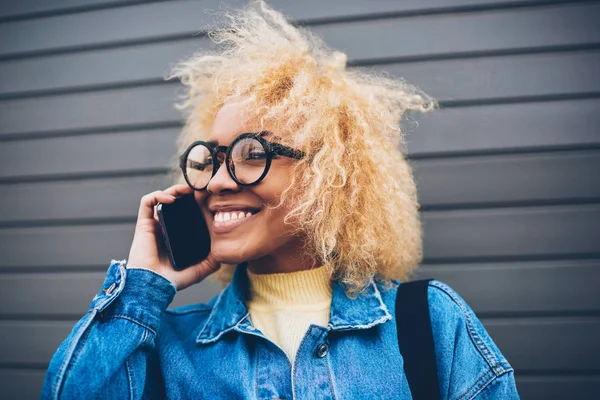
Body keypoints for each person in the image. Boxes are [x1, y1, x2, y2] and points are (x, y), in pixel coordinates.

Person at [41, 1, 520, 398]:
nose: (216, 183)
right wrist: (144, 289)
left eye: (254, 154)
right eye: (210, 158)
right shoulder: (165, 344)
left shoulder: (428, 322)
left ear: (330, 175)